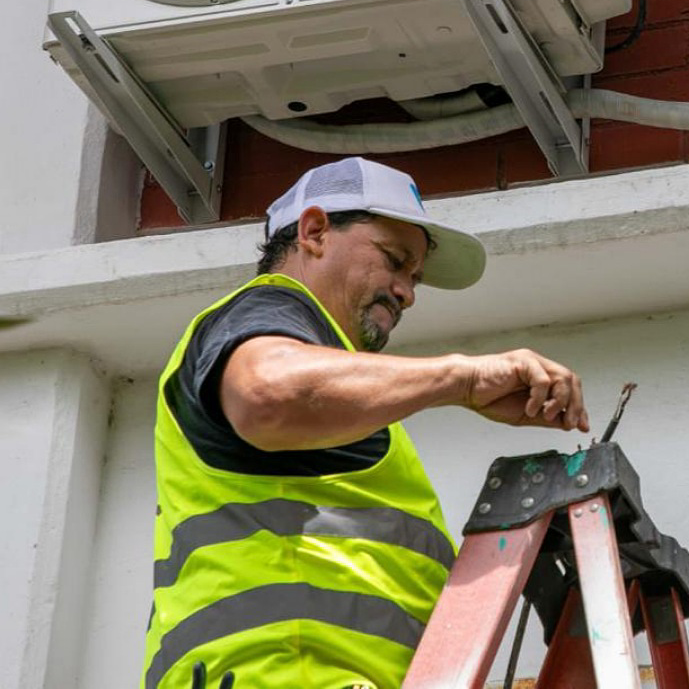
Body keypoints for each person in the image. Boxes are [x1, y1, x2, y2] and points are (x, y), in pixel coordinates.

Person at [140, 157, 590, 689]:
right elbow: (266, 395)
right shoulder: (268, 310)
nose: (407, 292)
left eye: (415, 277)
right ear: (313, 232)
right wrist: (460, 379)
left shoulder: (342, 403)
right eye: (394, 261)